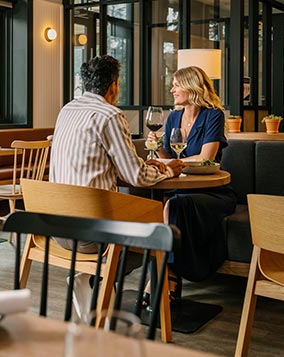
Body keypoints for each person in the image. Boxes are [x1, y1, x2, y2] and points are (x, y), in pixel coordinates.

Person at [50, 54, 184, 316]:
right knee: (158, 233)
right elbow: (136, 177)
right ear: (113, 86)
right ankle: (95, 279)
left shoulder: (67, 110)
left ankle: (94, 281)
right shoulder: (110, 115)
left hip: (55, 227)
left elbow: (100, 162)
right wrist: (167, 169)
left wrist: (145, 166)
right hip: (92, 234)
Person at [147, 66, 237, 299]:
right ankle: (167, 273)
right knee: (157, 203)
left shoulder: (213, 114)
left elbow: (206, 157)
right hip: (180, 187)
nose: (172, 89)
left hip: (212, 192)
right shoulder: (174, 117)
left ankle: (166, 274)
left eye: (176, 85)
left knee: (175, 205)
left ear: (191, 86)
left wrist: (173, 163)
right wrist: (157, 149)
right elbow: (168, 157)